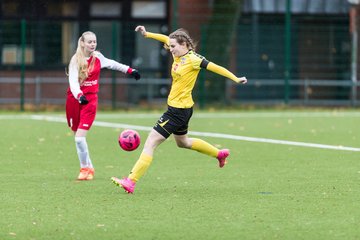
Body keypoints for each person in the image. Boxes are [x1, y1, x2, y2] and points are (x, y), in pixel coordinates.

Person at [111, 26, 247, 193]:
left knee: (150, 142)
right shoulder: (177, 52)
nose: (170, 49)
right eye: (171, 46)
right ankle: (219, 154)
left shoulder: (194, 60)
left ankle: (131, 181)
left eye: (174, 46)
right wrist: (147, 34)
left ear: (184, 44)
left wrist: (236, 78)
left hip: (177, 111)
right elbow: (164, 39)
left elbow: (217, 67)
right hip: (182, 109)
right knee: (183, 142)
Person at [66, 31, 141, 180]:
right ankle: (90, 168)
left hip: (90, 101)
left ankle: (84, 168)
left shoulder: (98, 57)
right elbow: (73, 82)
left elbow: (113, 64)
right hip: (75, 99)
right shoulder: (76, 60)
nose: (93, 44)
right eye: (89, 42)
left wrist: (130, 70)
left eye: (94, 41)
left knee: (79, 139)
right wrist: (79, 95)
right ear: (82, 43)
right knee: (77, 137)